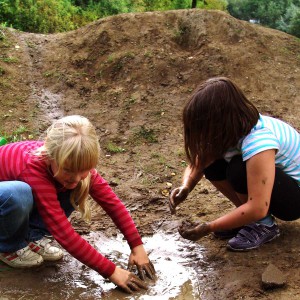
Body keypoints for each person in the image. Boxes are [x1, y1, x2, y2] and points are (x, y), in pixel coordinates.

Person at [0, 115, 155, 293]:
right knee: (17, 194)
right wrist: (111, 271)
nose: (75, 177)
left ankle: (31, 237)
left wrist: (137, 246)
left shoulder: (74, 163)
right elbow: (63, 233)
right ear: (51, 155)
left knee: (75, 185)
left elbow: (112, 203)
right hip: (6, 196)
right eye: (68, 170)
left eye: (84, 170)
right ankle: (9, 247)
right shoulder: (33, 168)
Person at [169, 77, 300, 251]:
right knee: (214, 164)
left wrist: (209, 227)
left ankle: (264, 225)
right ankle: (249, 220)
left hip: (294, 199)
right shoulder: (232, 130)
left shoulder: (259, 141)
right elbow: (201, 161)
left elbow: (258, 207)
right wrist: (186, 186)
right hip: (276, 187)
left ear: (219, 121)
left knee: (238, 169)